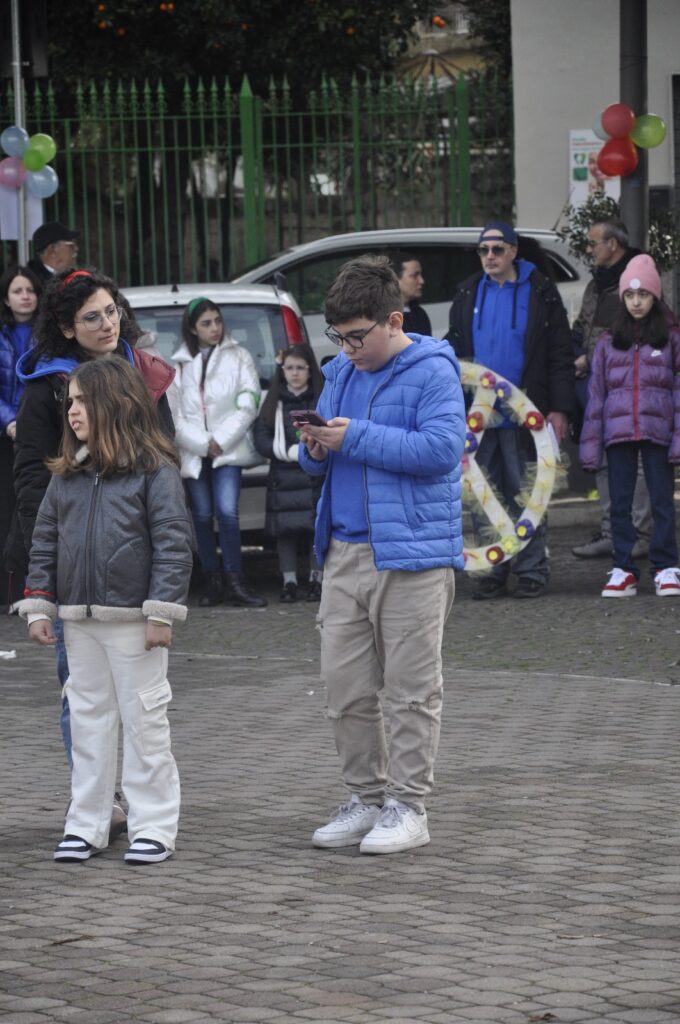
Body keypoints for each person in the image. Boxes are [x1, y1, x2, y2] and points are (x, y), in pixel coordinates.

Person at [298, 255, 466, 855]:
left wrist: (355, 438)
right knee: (344, 689)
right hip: (343, 550)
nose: (346, 350)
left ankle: (407, 806)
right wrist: (315, 447)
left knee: (411, 690)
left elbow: (444, 449)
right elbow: (319, 459)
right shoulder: (341, 371)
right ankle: (364, 799)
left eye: (356, 337)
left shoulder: (433, 369)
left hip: (413, 555)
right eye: (337, 337)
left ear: (393, 320)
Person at [13, 269, 176, 837]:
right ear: (66, 327)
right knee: (82, 699)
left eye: (111, 311)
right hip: (74, 578)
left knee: (142, 705)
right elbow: (35, 483)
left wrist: (162, 591)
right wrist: (48, 574)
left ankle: (148, 810)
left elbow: (164, 480)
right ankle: (95, 805)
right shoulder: (47, 388)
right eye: (91, 317)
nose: (107, 323)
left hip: (132, 581)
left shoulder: (140, 376)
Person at [446, 220, 574, 599]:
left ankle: (532, 571)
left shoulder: (542, 293)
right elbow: (453, 347)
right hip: (480, 417)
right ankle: (491, 572)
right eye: (483, 250)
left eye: (497, 249)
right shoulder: (467, 292)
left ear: (514, 251)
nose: (489, 256)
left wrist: (560, 408)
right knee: (483, 495)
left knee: (527, 493)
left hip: (526, 415)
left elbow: (559, 353)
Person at [579, 255, 680, 598]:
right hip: (617, 432)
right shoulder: (608, 341)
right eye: (630, 295)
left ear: (655, 296)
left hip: (658, 431)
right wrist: (591, 445)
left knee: (661, 500)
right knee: (619, 503)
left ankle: (666, 567)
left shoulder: (671, 339)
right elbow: (596, 397)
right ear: (622, 298)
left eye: (644, 295)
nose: (636, 302)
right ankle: (624, 568)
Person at [173, 296, 267, 608]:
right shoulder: (179, 365)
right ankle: (211, 581)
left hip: (229, 449)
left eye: (218, 320)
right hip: (194, 451)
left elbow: (248, 402)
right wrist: (202, 443)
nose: (215, 328)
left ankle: (235, 579)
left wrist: (220, 441)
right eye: (206, 323)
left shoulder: (239, 356)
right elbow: (175, 416)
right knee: (201, 515)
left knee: (227, 511)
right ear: (192, 328)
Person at [571, 219, 651, 559]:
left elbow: (636, 331)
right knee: (602, 458)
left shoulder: (637, 280)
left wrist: (589, 358)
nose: (590, 249)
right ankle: (612, 531)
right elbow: (582, 326)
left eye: (594, 243)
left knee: (638, 461)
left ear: (612, 245)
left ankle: (641, 534)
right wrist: (575, 353)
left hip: (628, 386)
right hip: (594, 385)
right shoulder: (596, 284)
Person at [253, 343, 325, 603]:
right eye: (289, 368)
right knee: (286, 533)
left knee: (316, 530)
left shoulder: (320, 399)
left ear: (310, 370)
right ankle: (289, 581)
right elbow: (260, 435)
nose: (294, 373)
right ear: (282, 370)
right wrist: (284, 451)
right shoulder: (274, 401)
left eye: (300, 368)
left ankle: (317, 579)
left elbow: (326, 432)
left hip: (313, 476)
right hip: (282, 476)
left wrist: (309, 451)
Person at [0, 265, 42, 606]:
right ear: (6, 298)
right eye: (18, 290)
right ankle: (9, 592)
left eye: (29, 289)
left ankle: (36, 588)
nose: (25, 296)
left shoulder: (49, 333)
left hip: (39, 432)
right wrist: (10, 421)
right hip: (6, 436)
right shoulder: (1, 334)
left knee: (35, 509)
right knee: (6, 510)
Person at [391, 252, 432, 335]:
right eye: (415, 276)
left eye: (420, 275)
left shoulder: (419, 314)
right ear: (395, 279)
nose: (421, 281)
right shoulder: (383, 317)